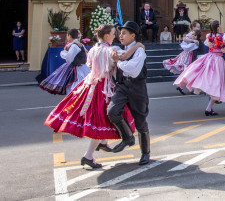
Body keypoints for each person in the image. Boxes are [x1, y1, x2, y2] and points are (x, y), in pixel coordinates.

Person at [45, 24, 136, 169]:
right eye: (113, 33)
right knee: (100, 120)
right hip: (103, 87)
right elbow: (122, 60)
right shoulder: (111, 50)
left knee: (100, 118)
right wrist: (139, 47)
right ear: (107, 36)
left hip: (91, 84)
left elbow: (89, 65)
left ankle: (103, 143)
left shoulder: (93, 49)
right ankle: (88, 156)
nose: (116, 35)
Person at [107, 21, 151, 165]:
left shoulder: (139, 51)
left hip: (137, 88)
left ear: (133, 36)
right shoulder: (121, 51)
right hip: (122, 86)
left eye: (124, 33)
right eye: (120, 33)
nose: (121, 35)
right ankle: (127, 137)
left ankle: (145, 153)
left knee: (140, 121)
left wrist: (118, 62)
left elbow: (132, 70)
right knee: (112, 111)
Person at [174, 20, 225, 115]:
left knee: (205, 77)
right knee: (216, 83)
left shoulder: (210, 36)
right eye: (220, 25)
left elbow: (208, 44)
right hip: (217, 59)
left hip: (210, 57)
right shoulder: (222, 36)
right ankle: (209, 108)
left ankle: (209, 108)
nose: (221, 27)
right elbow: (224, 46)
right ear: (217, 27)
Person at [40, 28, 90, 95]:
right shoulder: (77, 44)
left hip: (78, 69)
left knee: (75, 86)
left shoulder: (74, 46)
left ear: (69, 36)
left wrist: (64, 52)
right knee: (80, 86)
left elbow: (69, 58)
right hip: (82, 67)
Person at [163, 28, 202, 94]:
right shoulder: (194, 41)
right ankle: (187, 87)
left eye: (193, 35)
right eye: (192, 34)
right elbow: (185, 40)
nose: (192, 35)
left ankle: (186, 87)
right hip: (186, 57)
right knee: (187, 73)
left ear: (196, 36)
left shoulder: (196, 43)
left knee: (187, 73)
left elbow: (186, 47)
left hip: (190, 57)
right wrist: (191, 40)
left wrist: (188, 41)